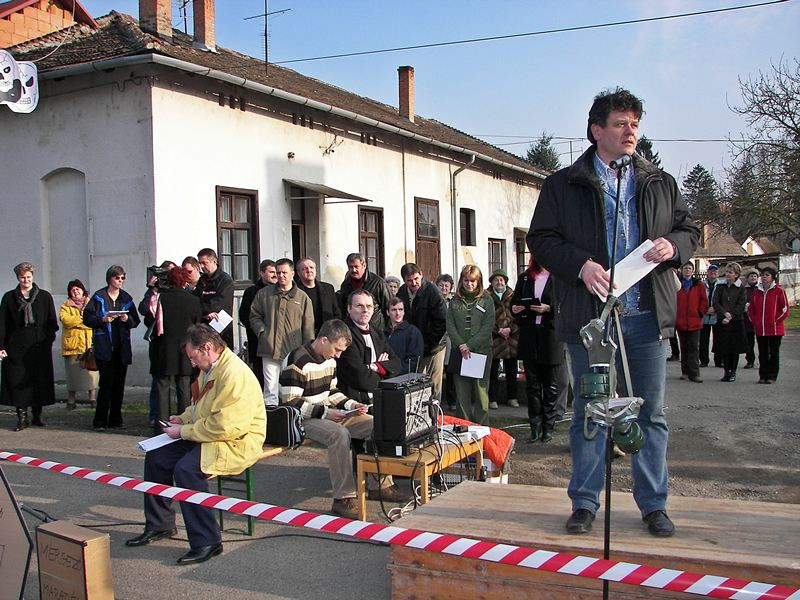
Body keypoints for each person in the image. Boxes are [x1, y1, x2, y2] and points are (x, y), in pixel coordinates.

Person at [528, 88, 699, 538]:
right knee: (590, 410)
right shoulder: (563, 185)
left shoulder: (658, 181)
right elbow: (541, 239)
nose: (630, 132)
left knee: (651, 413)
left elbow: (689, 229)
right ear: (596, 129)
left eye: (635, 125)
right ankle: (585, 502)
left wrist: (673, 246)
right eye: (621, 124)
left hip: (645, 318)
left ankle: (653, 505)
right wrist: (580, 266)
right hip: (591, 323)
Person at [126, 325, 266, 565]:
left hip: (238, 441)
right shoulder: (211, 367)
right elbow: (201, 407)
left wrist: (183, 430)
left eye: (193, 357)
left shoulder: (233, 374)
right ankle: (160, 525)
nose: (192, 363)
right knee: (157, 456)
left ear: (208, 348)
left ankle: (208, 542)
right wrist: (183, 418)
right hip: (212, 434)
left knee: (186, 469)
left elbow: (226, 426)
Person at [280, 319, 407, 519]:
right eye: (337, 350)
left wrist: (351, 405)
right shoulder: (296, 360)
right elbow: (290, 402)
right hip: (303, 419)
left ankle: (380, 484)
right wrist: (325, 413)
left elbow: (332, 392)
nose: (338, 356)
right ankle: (343, 498)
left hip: (327, 413)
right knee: (339, 435)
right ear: (323, 340)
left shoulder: (330, 359)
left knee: (378, 426)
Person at [0, 262, 58, 431]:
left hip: (39, 346)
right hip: (16, 347)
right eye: (22, 277)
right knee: (17, 380)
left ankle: (37, 415)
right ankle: (22, 416)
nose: (25, 280)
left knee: (39, 380)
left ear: (33, 276)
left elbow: (51, 321)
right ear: (18, 278)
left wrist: (48, 339)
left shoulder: (44, 296)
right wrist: (1, 345)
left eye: (28, 277)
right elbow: (2, 323)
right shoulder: (9, 297)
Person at [511, 256, 563, 443]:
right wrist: (516, 308)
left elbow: (564, 305)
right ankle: (535, 426)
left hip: (550, 337)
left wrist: (548, 308)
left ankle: (548, 427)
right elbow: (514, 302)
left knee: (550, 385)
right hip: (529, 335)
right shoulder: (525, 277)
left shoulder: (559, 277)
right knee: (532, 386)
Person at [249, 258, 314, 405]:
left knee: (288, 390)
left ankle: (289, 419)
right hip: (269, 348)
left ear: (292, 273)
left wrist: (306, 350)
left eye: (284, 272)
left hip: (292, 351)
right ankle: (272, 421)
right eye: (278, 273)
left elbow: (308, 326)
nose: (281, 276)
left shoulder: (303, 298)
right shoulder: (264, 294)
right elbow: (254, 315)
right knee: (270, 390)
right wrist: (261, 332)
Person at [144, 267, 202, 430]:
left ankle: (161, 425)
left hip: (162, 348)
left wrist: (152, 289)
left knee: (162, 387)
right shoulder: (193, 300)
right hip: (185, 349)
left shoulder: (159, 298)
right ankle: (182, 425)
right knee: (184, 387)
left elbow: (149, 321)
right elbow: (198, 324)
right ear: (184, 281)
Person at [84, 265, 140, 430]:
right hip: (105, 347)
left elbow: (135, 320)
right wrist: (102, 319)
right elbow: (86, 318)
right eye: (117, 278)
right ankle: (100, 420)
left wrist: (126, 320)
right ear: (110, 279)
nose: (120, 281)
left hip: (121, 347)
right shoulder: (99, 297)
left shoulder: (126, 298)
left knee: (119, 385)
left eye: (122, 278)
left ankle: (116, 419)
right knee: (106, 385)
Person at [445, 265, 495, 425]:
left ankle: (482, 429)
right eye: (466, 280)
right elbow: (450, 324)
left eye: (473, 281)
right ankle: (464, 428)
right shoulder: (454, 301)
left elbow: (488, 326)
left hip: (480, 352)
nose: (469, 284)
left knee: (481, 394)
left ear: (478, 281)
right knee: (462, 395)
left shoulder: (487, 300)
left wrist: (470, 345)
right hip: (460, 353)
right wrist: (460, 344)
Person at [336, 289, 401, 404]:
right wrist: (383, 371)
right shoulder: (342, 334)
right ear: (349, 309)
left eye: (369, 306)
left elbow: (396, 364)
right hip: (355, 401)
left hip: (380, 398)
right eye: (359, 306)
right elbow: (360, 378)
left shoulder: (378, 333)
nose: (365, 310)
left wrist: (374, 366)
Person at [396, 263, 447, 397]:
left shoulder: (433, 291)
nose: (414, 283)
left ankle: (435, 414)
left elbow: (441, 322)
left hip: (435, 345)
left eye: (416, 279)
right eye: (409, 280)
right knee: (415, 381)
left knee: (434, 382)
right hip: (413, 345)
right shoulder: (402, 292)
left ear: (421, 275)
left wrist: (428, 344)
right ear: (404, 280)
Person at [59, 279, 98, 410]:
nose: (75, 292)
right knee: (72, 375)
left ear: (83, 290)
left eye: (78, 289)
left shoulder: (91, 304)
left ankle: (92, 398)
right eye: (73, 290)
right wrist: (83, 320)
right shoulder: (66, 306)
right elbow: (66, 321)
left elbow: (94, 320)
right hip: (72, 345)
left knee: (91, 373)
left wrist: (81, 322)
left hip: (89, 344)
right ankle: (71, 400)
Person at [747, 266, 790, 384]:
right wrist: (755, 321)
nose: (764, 277)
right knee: (763, 353)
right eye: (763, 275)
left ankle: (772, 376)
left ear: (772, 277)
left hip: (775, 329)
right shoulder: (757, 292)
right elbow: (751, 309)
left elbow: (785, 309)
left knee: (774, 353)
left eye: (767, 275)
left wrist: (775, 321)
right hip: (761, 329)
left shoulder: (779, 291)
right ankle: (763, 375)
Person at [238, 259, 275, 389]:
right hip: (258, 340)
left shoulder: (280, 291)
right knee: (260, 376)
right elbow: (244, 315)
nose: (275, 275)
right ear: (262, 273)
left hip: (278, 342)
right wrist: (259, 330)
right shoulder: (251, 292)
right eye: (271, 272)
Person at [487, 268, 519, 410]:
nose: (499, 282)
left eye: (501, 280)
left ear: (505, 281)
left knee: (511, 370)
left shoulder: (513, 295)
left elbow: (519, 314)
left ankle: (512, 397)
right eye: (496, 280)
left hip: (511, 339)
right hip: (495, 338)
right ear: (492, 282)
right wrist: (497, 329)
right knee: (493, 371)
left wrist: (510, 329)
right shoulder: (487, 296)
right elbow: (485, 317)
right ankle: (492, 398)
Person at [711, 262, 747, 382]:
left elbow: (741, 304)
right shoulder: (720, 286)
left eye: (730, 272)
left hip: (736, 321)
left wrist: (731, 315)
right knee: (724, 348)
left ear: (736, 274)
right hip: (723, 320)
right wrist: (724, 313)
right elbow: (716, 302)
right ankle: (726, 371)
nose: (728, 274)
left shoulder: (741, 288)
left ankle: (733, 371)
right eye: (727, 272)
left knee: (734, 348)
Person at [338, 253, 391, 331]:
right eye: (350, 267)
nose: (353, 270)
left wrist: (387, 329)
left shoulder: (378, 283)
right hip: (353, 330)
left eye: (356, 267)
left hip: (375, 329)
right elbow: (343, 308)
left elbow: (389, 306)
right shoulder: (345, 285)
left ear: (364, 266)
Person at [194, 248, 234, 348]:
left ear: (214, 261)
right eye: (200, 263)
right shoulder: (202, 279)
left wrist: (203, 310)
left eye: (204, 263)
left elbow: (218, 304)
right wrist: (204, 313)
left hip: (220, 328)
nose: (202, 266)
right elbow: (195, 300)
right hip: (203, 327)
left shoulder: (225, 280)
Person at [675, 262, 708, 383]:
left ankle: (694, 373)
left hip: (694, 320)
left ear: (693, 271)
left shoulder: (698, 284)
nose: (687, 270)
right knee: (684, 347)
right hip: (681, 320)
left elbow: (704, 300)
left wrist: (700, 313)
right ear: (682, 270)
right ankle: (685, 371)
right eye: (685, 268)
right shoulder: (677, 283)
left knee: (693, 347)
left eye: (689, 268)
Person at [294, 257, 340, 335]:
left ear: (315, 270)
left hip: (326, 334)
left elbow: (336, 312)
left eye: (311, 267)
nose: (309, 270)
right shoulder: (295, 291)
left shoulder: (328, 288)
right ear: (298, 273)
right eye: (304, 269)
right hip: (303, 334)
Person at [385, 296, 424, 374]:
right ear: (387, 312)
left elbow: (414, 361)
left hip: (404, 378)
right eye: (394, 310)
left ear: (404, 311)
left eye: (400, 309)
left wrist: (394, 371)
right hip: (384, 375)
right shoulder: (382, 333)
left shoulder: (413, 332)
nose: (398, 313)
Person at [700, 264, 721, 368]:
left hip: (717, 315)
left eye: (715, 271)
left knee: (718, 339)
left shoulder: (721, 285)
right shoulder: (701, 284)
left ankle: (718, 360)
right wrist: (704, 310)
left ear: (718, 273)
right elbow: (698, 299)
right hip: (704, 316)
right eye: (711, 271)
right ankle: (703, 360)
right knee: (703, 339)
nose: (713, 273)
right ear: (707, 272)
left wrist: (716, 309)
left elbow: (723, 300)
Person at [743, 268, 760, 369]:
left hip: (759, 318)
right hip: (747, 319)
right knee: (749, 342)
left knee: (762, 342)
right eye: (751, 276)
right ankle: (750, 360)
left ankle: (763, 360)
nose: (753, 278)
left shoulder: (760, 288)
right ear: (747, 278)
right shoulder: (744, 289)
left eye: (755, 276)